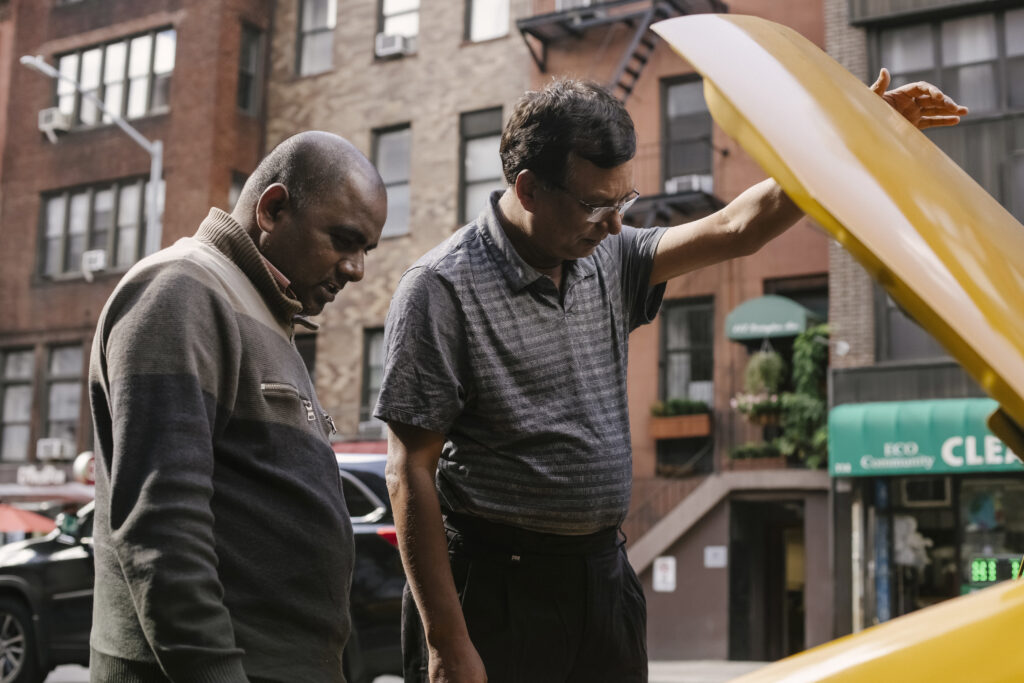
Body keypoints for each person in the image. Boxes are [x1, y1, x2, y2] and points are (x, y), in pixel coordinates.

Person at [375, 72, 966, 683]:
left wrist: (852, 138)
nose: (612, 225)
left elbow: (740, 226)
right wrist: (446, 641)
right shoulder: (440, 288)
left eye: (623, 202)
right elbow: (408, 470)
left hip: (602, 576)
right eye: (595, 205)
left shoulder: (607, 254)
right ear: (527, 189)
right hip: (496, 587)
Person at [88, 131, 387, 683]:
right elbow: (162, 528)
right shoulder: (180, 291)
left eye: (366, 249)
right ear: (272, 209)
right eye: (344, 240)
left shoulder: (267, 313)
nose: (356, 269)